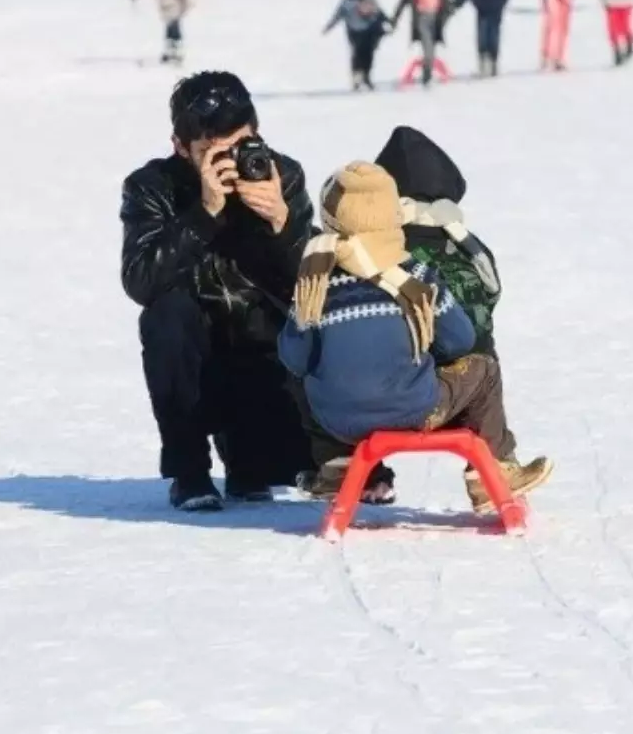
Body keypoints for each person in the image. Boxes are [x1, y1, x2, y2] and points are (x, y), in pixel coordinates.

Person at [280, 162, 553, 513]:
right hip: (412, 407)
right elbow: (460, 341)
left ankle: (335, 466)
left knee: (310, 372)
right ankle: (493, 474)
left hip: (337, 420)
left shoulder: (315, 284)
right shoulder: (415, 275)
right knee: (483, 369)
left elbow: (293, 358)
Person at [119, 71, 316, 511]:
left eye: (238, 146)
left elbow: (310, 288)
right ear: (180, 147)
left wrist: (284, 225)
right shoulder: (152, 187)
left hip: (260, 349)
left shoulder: (281, 175)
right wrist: (203, 213)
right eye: (211, 152)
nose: (228, 162)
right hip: (193, 352)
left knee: (268, 474)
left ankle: (250, 453)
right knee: (164, 314)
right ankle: (189, 470)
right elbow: (140, 280)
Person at [374, 126, 502, 358]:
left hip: (422, 382)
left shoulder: (385, 252)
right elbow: (490, 299)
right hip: (484, 376)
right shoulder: (467, 244)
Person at [390, 0, 452, 88]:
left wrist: (449, 9)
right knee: (428, 48)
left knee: (431, 49)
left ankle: (427, 73)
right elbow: (403, 0)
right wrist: (395, 18)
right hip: (422, 19)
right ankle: (427, 76)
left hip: (436, 19)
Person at [322, 0, 388, 92]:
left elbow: (378, 12)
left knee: (368, 55)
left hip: (368, 31)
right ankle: (357, 76)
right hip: (354, 32)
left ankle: (366, 76)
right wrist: (329, 26)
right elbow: (338, 14)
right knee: (357, 53)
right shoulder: (346, 0)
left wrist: (383, 19)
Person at [128, 0, 191, 65]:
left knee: (174, 32)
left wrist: (184, 8)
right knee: (170, 32)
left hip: (175, 10)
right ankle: (172, 53)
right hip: (169, 10)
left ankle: (176, 53)